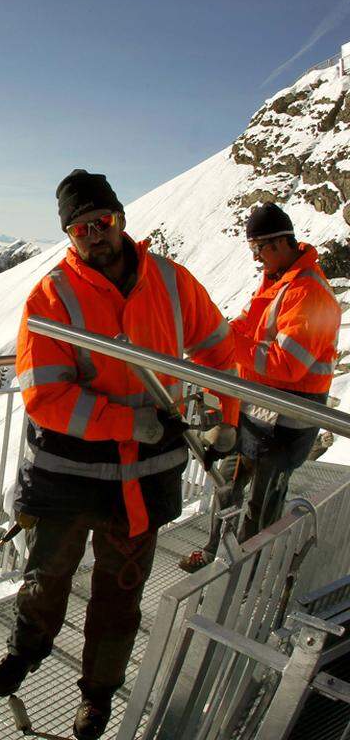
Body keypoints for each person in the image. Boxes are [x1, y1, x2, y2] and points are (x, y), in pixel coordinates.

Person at [0, 169, 240, 740]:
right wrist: (130, 420)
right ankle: (27, 650)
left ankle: (97, 694)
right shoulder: (50, 296)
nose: (95, 235)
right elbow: (44, 396)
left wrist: (225, 421)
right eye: (81, 229)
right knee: (46, 574)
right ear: (69, 236)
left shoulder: (174, 283)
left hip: (144, 478)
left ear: (122, 220)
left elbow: (221, 354)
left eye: (103, 222)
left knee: (120, 591)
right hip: (67, 476)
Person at [179, 202, 339, 572]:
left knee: (263, 501)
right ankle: (215, 553)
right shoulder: (277, 282)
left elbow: (288, 364)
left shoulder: (308, 293)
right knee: (228, 484)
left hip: (288, 417)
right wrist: (220, 334)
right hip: (257, 407)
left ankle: (245, 573)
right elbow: (248, 325)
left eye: (258, 250)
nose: (255, 258)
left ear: (280, 244)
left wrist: (232, 345)